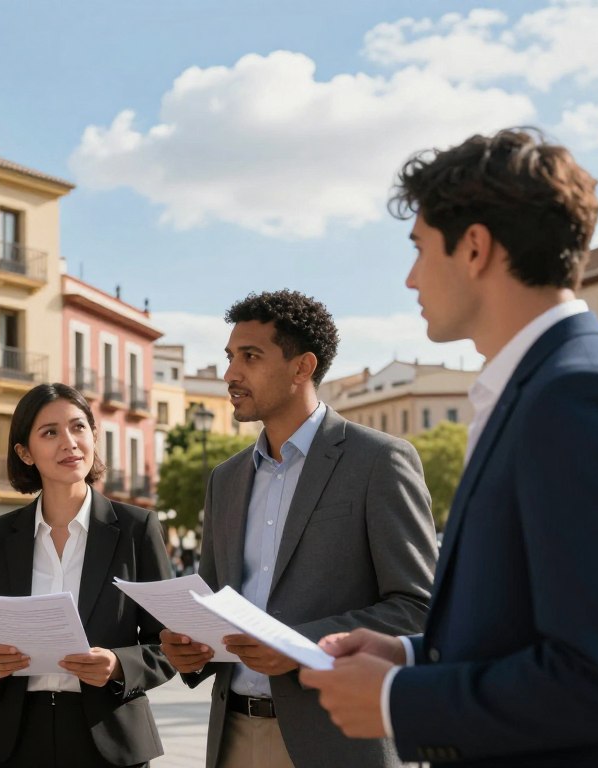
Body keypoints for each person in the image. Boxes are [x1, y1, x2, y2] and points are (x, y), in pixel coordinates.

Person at [300, 129, 598, 766]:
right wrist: (406, 653)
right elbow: (532, 625)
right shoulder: (539, 388)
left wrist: (400, 698)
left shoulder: (574, 397)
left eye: (420, 248)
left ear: (476, 248)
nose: (409, 278)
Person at [160, 290, 437, 768]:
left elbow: (418, 606)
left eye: (250, 356)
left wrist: (298, 645)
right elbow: (208, 599)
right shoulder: (224, 479)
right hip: (232, 738)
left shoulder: (379, 461)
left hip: (337, 741)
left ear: (302, 367)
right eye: (230, 357)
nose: (230, 374)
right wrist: (189, 646)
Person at [0, 382, 175, 768]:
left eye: (79, 427)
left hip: (111, 738)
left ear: (94, 435)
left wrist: (119, 664)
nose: (69, 442)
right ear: (25, 452)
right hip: (15, 741)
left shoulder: (136, 528)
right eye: (50, 432)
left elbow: (169, 645)